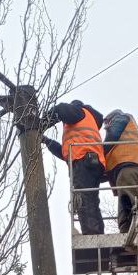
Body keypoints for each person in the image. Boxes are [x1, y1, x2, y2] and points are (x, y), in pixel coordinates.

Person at [41, 100, 105, 234]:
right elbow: (65, 153)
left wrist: (42, 124)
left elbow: (61, 108)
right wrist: (46, 141)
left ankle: (91, 234)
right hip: (94, 162)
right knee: (92, 200)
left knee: (83, 200)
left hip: (83, 161)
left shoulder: (78, 111)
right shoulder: (88, 121)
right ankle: (97, 232)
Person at [102, 109, 138, 235]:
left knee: (132, 204)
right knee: (126, 203)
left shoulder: (122, 118)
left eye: (107, 123)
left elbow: (112, 137)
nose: (106, 127)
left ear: (111, 118)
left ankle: (135, 232)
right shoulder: (120, 141)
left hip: (129, 168)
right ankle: (125, 233)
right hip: (127, 170)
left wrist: (97, 153)